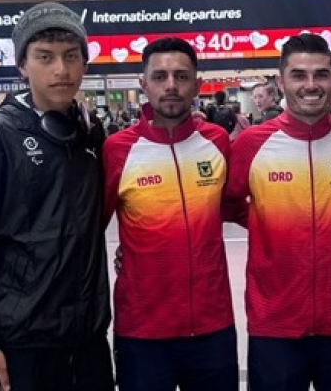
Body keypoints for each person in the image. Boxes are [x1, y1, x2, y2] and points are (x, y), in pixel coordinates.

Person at [0, 1, 114, 391]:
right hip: (22, 344)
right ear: (22, 66)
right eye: (45, 57)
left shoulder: (90, 133)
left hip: (87, 340)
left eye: (72, 57)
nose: (62, 69)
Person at [226, 33, 331, 391]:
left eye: (321, 75)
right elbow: (228, 201)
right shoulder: (253, 144)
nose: (311, 85)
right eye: (299, 75)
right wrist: (269, 225)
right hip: (275, 324)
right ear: (281, 81)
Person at [102, 37, 243, 391]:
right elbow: (90, 230)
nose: (170, 86)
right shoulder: (117, 150)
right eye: (160, 76)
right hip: (143, 331)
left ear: (197, 84)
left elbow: (236, 207)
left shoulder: (217, 142)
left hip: (213, 326)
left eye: (181, 76)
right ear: (143, 83)